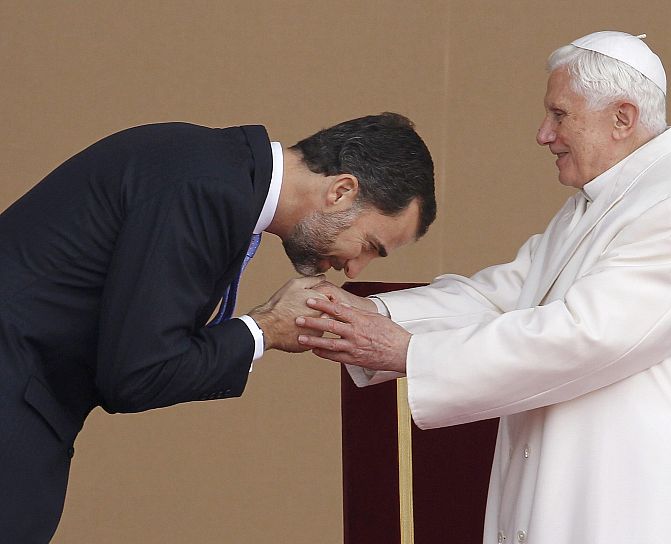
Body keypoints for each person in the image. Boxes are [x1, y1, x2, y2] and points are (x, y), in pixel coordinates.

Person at [297, 32, 671, 543]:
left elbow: (587, 335)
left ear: (622, 118)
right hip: (571, 494)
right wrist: (365, 317)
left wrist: (411, 352)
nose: (544, 134)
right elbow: (498, 297)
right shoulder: (601, 205)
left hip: (632, 503)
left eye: (559, 115)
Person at [0, 112, 435, 541]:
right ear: (341, 191)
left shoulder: (214, 170)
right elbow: (137, 373)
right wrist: (265, 329)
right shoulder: (207, 188)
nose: (355, 270)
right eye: (369, 246)